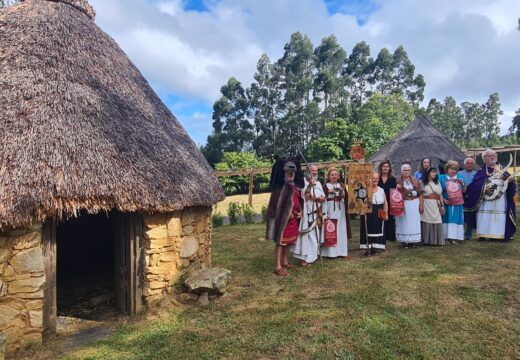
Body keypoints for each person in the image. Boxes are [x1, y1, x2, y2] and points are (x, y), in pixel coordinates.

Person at [465, 149, 516, 242]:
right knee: (485, 215)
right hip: (486, 199)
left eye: (493, 155)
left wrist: (510, 181)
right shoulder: (482, 171)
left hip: (500, 198)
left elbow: (509, 181)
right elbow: (476, 184)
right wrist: (484, 189)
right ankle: (483, 234)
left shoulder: (501, 168)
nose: (492, 157)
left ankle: (497, 235)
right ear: (484, 158)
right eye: (489, 156)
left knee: (499, 216)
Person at [266, 156, 304, 276]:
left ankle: (285, 261)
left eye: (292, 172)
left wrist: (301, 212)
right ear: (284, 172)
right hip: (282, 221)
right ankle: (277, 267)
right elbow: (277, 206)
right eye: (288, 171)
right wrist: (289, 214)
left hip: (293, 221)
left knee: (289, 242)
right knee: (280, 242)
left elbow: (300, 201)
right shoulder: (279, 189)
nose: (290, 173)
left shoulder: (296, 187)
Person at [291, 165, 326, 266]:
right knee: (307, 237)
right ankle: (307, 258)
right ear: (307, 171)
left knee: (315, 236)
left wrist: (320, 199)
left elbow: (323, 197)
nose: (314, 172)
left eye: (316, 170)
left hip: (316, 213)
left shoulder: (318, 183)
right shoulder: (302, 182)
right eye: (312, 170)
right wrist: (310, 186)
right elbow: (305, 197)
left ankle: (310, 258)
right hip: (306, 214)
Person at [321, 167, 350, 259]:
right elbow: (322, 197)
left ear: (338, 176)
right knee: (331, 229)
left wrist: (341, 191)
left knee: (341, 229)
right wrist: (328, 191)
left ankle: (342, 252)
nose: (334, 176)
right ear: (329, 176)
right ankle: (330, 253)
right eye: (332, 174)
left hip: (340, 209)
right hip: (330, 209)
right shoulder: (325, 186)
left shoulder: (342, 185)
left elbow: (346, 198)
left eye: (335, 174)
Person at [360, 172, 388, 255]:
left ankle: (376, 247)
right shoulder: (365, 189)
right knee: (367, 230)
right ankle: (367, 248)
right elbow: (360, 202)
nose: (375, 179)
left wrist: (385, 213)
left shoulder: (381, 190)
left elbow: (385, 203)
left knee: (378, 229)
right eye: (373, 178)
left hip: (379, 211)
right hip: (368, 212)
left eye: (376, 178)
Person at [396, 164, 422, 247]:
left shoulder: (415, 180)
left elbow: (420, 192)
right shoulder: (398, 181)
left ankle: (412, 241)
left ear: (410, 171)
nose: (407, 172)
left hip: (414, 203)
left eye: (408, 170)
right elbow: (395, 194)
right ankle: (403, 241)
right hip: (403, 203)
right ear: (401, 171)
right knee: (403, 222)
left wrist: (421, 203)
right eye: (405, 170)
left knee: (413, 222)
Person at [439, 160, 465, 243]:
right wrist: (442, 199)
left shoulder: (459, 177)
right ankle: (445, 237)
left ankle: (454, 237)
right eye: (451, 169)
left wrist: (463, 184)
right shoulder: (441, 177)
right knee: (446, 218)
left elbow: (464, 191)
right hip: (446, 202)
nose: (453, 171)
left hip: (457, 202)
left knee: (455, 219)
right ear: (447, 169)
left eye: (455, 169)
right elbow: (438, 191)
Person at [420, 167, 445, 246]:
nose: (434, 174)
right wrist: (421, 205)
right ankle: (427, 240)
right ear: (428, 173)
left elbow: (440, 194)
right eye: (432, 172)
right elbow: (420, 195)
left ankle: (437, 240)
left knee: (437, 220)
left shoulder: (437, 182)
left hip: (435, 204)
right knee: (427, 220)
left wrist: (442, 205)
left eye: (435, 172)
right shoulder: (422, 183)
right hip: (426, 204)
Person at [458, 157, 477, 240]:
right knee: (462, 215)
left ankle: (469, 234)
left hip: (472, 197)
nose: (469, 165)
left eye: (471, 163)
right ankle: (460, 233)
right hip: (461, 196)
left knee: (471, 215)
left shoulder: (476, 174)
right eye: (468, 163)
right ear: (464, 165)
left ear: (473, 165)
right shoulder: (459, 174)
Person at [378, 160, 397, 242]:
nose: (385, 168)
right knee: (380, 218)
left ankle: (390, 236)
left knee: (389, 219)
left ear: (389, 168)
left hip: (390, 202)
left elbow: (396, 191)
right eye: (384, 166)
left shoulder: (392, 179)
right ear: (381, 168)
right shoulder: (377, 178)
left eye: (387, 167)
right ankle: (381, 235)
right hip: (379, 201)